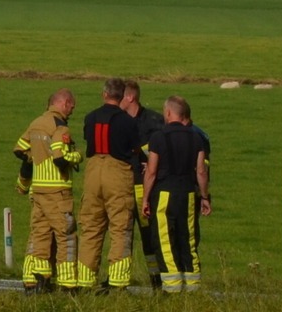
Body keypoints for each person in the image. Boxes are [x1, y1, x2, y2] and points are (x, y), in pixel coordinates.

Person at [75, 77, 142, 292]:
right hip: (118, 173)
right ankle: (118, 282)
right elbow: (135, 149)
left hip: (93, 172)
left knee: (91, 227)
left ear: (104, 94)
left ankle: (85, 281)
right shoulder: (129, 121)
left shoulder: (90, 117)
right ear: (122, 96)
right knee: (120, 227)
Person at [141, 96, 212, 293]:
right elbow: (201, 171)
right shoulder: (196, 137)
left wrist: (146, 198)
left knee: (165, 239)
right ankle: (192, 287)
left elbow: (152, 171)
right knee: (188, 240)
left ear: (170, 113)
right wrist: (204, 197)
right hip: (188, 194)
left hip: (164, 193)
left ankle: (172, 288)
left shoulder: (158, 137)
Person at [13, 88, 80, 292]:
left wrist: (30, 170)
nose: (72, 111)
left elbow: (20, 149)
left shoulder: (35, 123)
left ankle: (38, 281)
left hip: (38, 190)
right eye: (71, 107)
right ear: (64, 103)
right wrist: (77, 156)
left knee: (39, 235)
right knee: (66, 236)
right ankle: (69, 285)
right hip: (57, 192)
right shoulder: (60, 127)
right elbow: (60, 158)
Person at [122, 80, 167, 289]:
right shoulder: (117, 122)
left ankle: (156, 280)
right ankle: (120, 281)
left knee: (150, 239)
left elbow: (164, 151)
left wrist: (148, 160)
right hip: (121, 187)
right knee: (123, 236)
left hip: (144, 189)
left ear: (130, 97)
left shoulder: (154, 121)